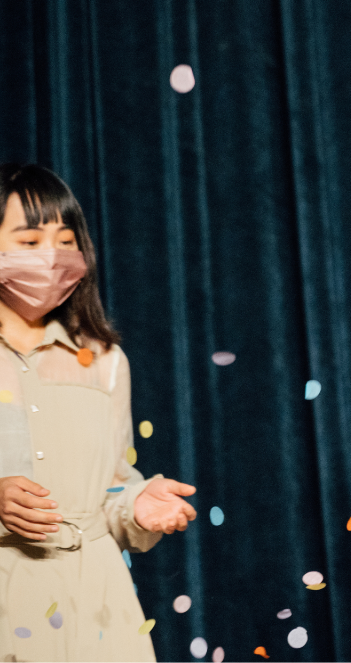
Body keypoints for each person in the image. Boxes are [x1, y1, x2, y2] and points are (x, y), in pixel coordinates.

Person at [0, 164, 197, 661]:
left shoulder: (104, 360)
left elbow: (111, 488)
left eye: (66, 242)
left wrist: (136, 506)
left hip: (97, 609)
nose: (51, 257)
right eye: (29, 242)